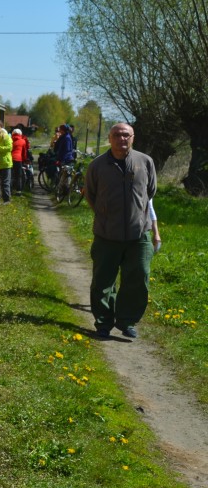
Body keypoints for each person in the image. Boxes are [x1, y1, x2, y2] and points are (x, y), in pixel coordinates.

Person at [83, 122, 157, 339]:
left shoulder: (145, 162)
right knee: (103, 281)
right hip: (107, 234)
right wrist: (105, 215)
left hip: (139, 234)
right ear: (110, 138)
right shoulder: (97, 165)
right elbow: (91, 194)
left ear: (132, 137)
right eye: (116, 135)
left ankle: (127, 320)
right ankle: (104, 323)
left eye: (126, 135)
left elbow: (150, 191)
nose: (121, 139)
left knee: (139, 277)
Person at [10, 128, 30, 195]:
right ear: (20, 134)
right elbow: (24, 152)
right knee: (18, 176)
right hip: (18, 160)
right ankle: (18, 191)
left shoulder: (10, 140)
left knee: (10, 175)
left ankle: (9, 190)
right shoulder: (22, 141)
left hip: (10, 159)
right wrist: (24, 160)